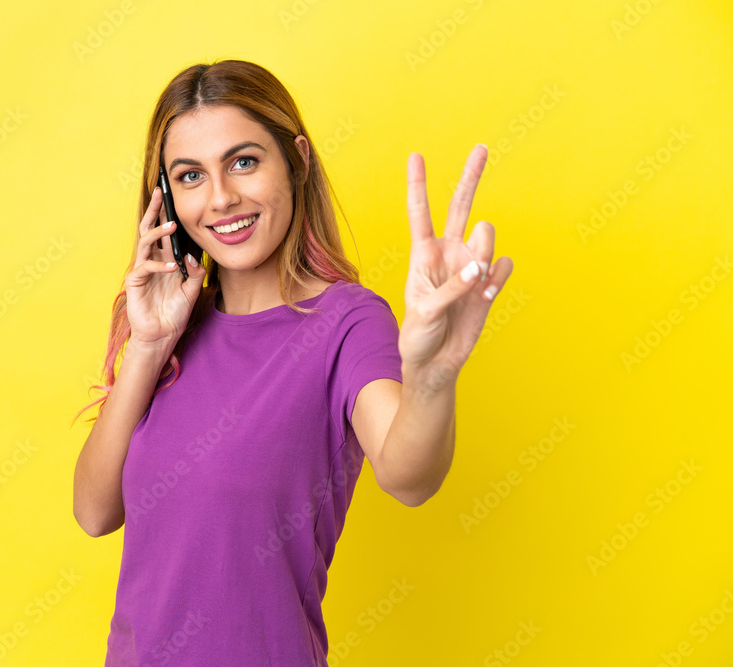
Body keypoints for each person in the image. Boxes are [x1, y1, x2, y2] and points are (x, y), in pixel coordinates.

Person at [72, 59, 513, 666]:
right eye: (191, 175)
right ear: (167, 199)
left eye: (243, 162)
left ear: (296, 160)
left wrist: (433, 374)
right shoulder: (172, 329)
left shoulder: (347, 321)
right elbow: (94, 512)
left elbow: (409, 476)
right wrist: (147, 346)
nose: (221, 198)